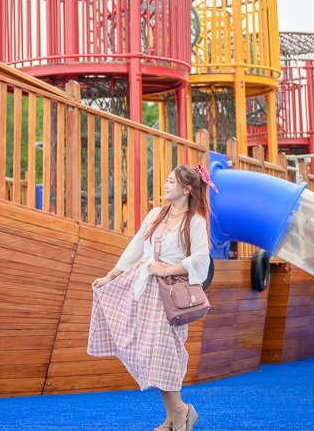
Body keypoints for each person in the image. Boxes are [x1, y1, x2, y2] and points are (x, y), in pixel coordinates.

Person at [88, 164, 214, 431]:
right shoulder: (156, 214)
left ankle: (181, 413)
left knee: (165, 351)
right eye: (167, 180)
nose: (166, 185)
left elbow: (202, 260)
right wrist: (110, 276)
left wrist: (167, 269)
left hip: (172, 295)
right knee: (153, 354)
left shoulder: (196, 221)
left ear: (187, 188)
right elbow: (135, 248)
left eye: (171, 181)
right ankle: (174, 416)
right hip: (147, 292)